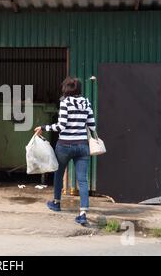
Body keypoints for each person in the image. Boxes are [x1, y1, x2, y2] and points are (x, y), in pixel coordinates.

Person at [34, 76, 96, 225]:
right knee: (82, 180)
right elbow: (92, 125)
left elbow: (60, 126)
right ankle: (83, 213)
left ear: (66, 89)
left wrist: (43, 128)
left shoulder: (65, 102)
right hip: (82, 146)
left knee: (58, 173)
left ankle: (56, 203)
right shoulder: (86, 102)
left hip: (65, 146)